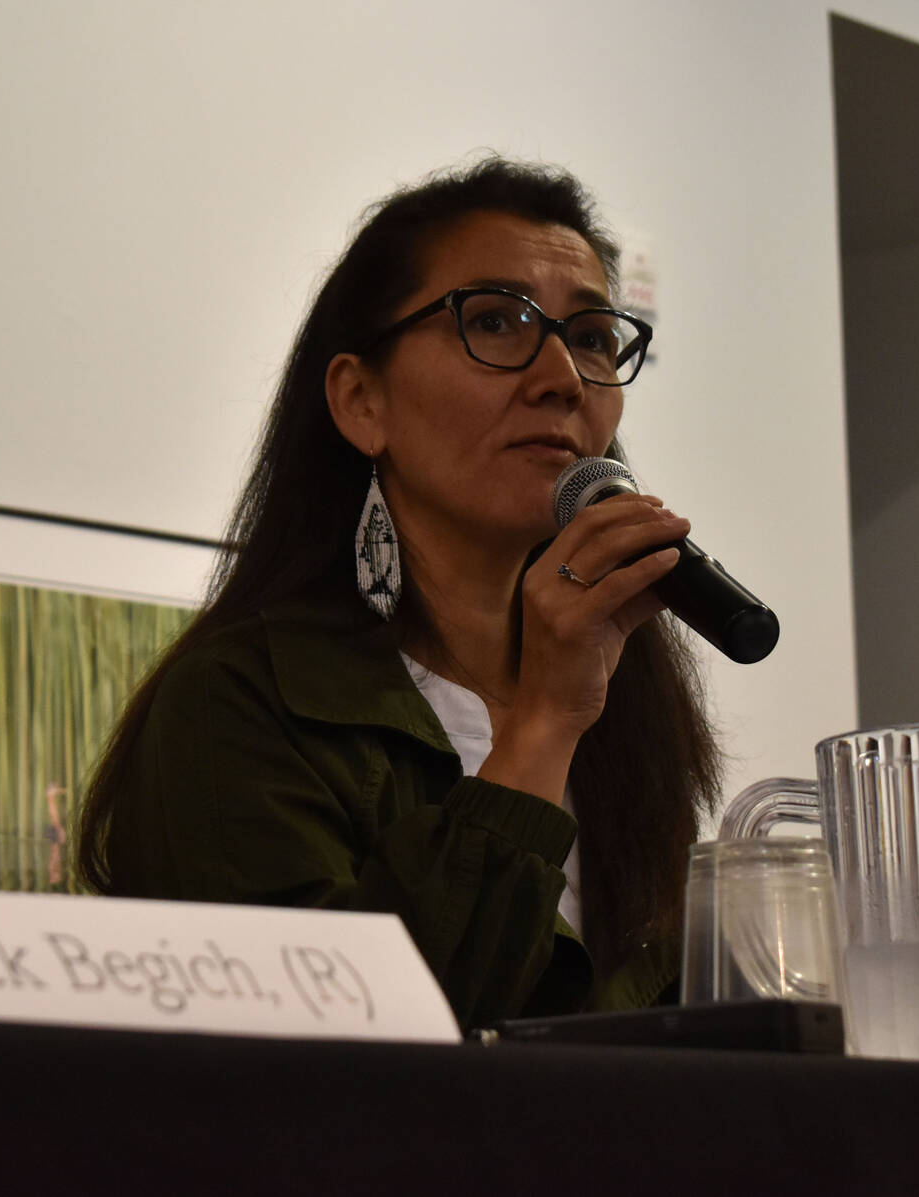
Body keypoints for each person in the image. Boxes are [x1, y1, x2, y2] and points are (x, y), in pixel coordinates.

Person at [75, 157, 723, 1031]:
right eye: (496, 321)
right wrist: (540, 725)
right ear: (360, 401)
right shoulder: (237, 706)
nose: (562, 376)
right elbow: (356, 1056)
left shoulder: (628, 715)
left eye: (595, 336)